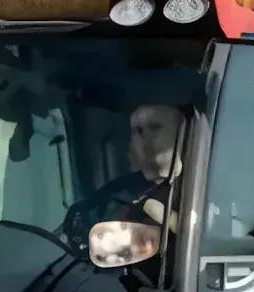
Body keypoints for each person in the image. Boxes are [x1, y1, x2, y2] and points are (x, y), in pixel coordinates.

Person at [64, 101, 186, 240]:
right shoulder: (115, 193)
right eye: (138, 130)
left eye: (155, 127)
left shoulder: (201, 187)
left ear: (180, 131)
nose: (146, 136)